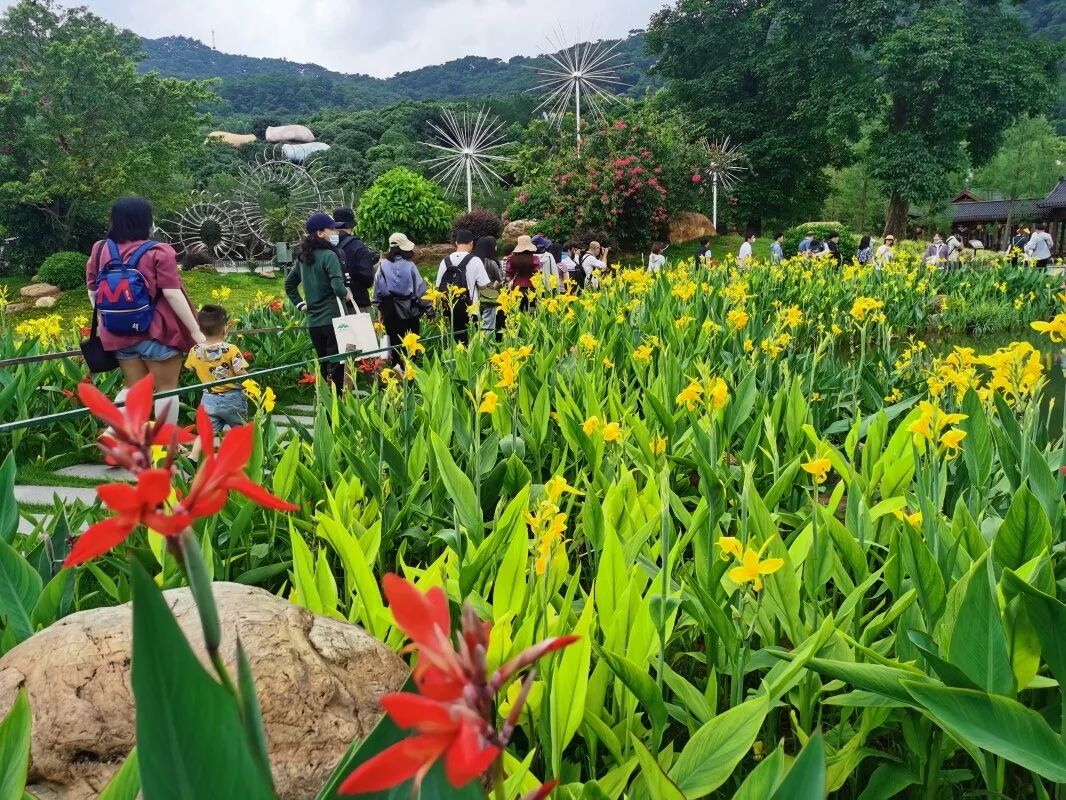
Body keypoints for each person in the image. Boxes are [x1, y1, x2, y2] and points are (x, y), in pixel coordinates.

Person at [85, 196, 203, 426]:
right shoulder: (159, 251)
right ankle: (165, 442)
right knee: (166, 389)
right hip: (157, 331)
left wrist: (110, 319)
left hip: (118, 334)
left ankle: (117, 436)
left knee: (133, 388)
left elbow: (93, 292)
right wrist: (196, 330)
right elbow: (172, 293)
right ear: (146, 221)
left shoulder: (100, 249)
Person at [285, 212, 351, 394]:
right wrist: (346, 293)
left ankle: (327, 404)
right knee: (338, 363)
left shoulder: (303, 257)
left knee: (324, 364)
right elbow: (338, 287)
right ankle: (338, 407)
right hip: (335, 320)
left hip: (314, 322)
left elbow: (289, 284)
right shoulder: (330, 255)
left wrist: (300, 305)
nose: (336, 232)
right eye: (332, 229)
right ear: (320, 233)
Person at [184, 304, 249, 433]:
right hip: (233, 398)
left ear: (201, 330)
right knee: (240, 430)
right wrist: (250, 382)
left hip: (208, 399)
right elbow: (241, 373)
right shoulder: (231, 349)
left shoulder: (195, 350)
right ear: (225, 329)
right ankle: (244, 452)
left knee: (206, 433)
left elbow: (190, 369)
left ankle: (195, 453)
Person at [373, 232, 428, 361]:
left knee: (395, 346)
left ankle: (398, 375)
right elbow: (420, 290)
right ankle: (410, 376)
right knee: (410, 346)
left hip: (389, 311)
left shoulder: (382, 265)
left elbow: (377, 292)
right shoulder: (410, 266)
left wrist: (381, 311)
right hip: (409, 311)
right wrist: (430, 311)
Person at [436, 229, 489, 344]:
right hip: (470, 308)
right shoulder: (475, 260)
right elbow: (483, 285)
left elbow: (438, 286)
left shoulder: (445, 261)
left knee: (455, 339)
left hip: (450, 308)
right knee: (470, 341)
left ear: (456, 243)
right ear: (471, 243)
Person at [332, 207, 376, 314]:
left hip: (333, 306)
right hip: (357, 304)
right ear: (351, 225)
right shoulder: (358, 246)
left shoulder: (326, 245)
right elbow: (368, 279)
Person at [474, 235, 505, 337]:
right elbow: (500, 279)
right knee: (488, 323)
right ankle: (488, 344)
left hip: (474, 294)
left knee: (476, 321)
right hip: (489, 294)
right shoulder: (491, 263)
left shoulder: (473, 261)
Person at [506, 235, 541, 310]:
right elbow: (537, 274)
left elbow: (509, 276)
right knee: (531, 312)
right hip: (532, 289)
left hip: (516, 289)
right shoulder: (535, 260)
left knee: (517, 311)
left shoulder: (511, 259)